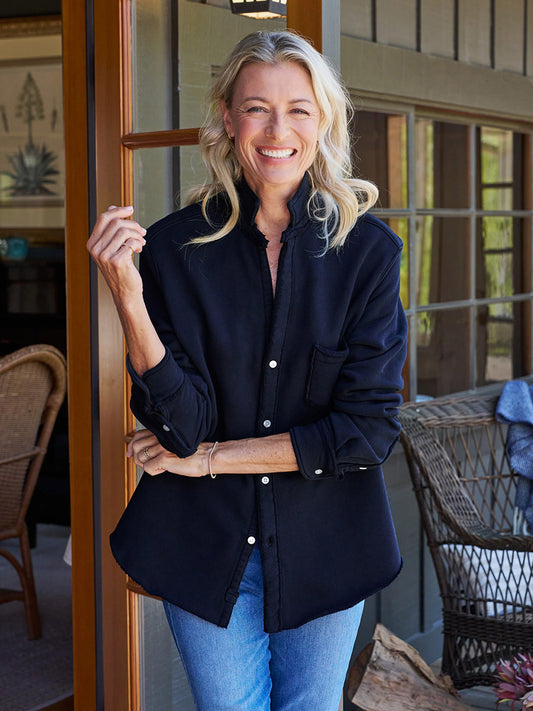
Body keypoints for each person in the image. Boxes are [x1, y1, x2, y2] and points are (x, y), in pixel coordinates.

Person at [87, 30, 407, 711]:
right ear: (228, 120)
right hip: (203, 541)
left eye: (297, 108)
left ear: (321, 120)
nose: (276, 129)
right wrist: (127, 296)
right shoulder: (175, 246)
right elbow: (180, 426)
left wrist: (208, 459)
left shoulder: (368, 254)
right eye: (256, 107)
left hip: (327, 543)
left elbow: (365, 430)